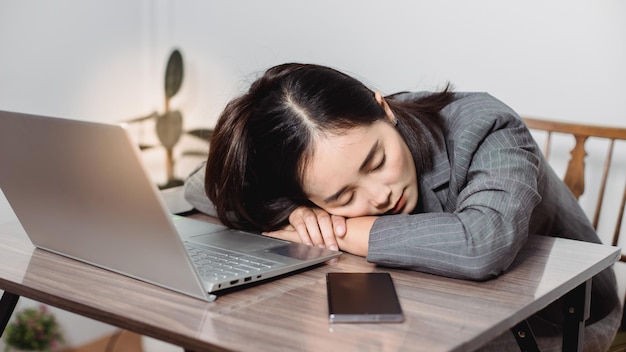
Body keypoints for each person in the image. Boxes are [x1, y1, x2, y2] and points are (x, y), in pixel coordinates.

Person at [184, 63, 620, 350]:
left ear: (383, 108)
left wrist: (341, 228)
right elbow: (200, 186)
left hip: (556, 321)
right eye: (341, 198)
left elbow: (483, 242)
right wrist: (295, 214)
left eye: (376, 161)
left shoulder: (485, 125)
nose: (378, 196)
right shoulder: (310, 171)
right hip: (433, 306)